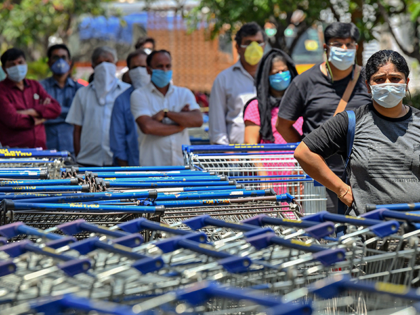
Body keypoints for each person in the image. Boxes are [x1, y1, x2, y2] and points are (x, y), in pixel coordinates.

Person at [294, 50, 417, 214]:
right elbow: (304, 152)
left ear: (406, 82)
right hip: (367, 230)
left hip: (415, 229)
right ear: (368, 86)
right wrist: (340, 189)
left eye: (395, 78)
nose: (387, 84)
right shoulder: (351, 120)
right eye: (379, 80)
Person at [276, 22, 371, 213]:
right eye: (338, 44)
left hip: (364, 178)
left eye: (349, 44)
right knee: (324, 237)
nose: (344, 49)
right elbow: (283, 125)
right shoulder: (304, 82)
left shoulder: (368, 81)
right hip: (320, 180)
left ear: (356, 47)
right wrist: (309, 150)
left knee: (364, 237)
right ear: (326, 47)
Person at [131, 50, 203, 166]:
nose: (164, 70)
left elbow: (197, 120)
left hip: (183, 166)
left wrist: (166, 114)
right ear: (149, 70)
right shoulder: (139, 95)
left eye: (168, 66)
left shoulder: (184, 93)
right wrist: (181, 124)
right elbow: (147, 127)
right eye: (159, 66)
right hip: (153, 166)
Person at [66, 46, 130, 166]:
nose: (104, 66)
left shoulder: (126, 92)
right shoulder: (82, 94)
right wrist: (79, 157)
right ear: (93, 66)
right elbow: (77, 130)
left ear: (115, 64)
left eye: (108, 62)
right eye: (100, 63)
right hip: (88, 160)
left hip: (118, 161)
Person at [209, 22, 266, 145]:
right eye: (248, 43)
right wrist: (228, 154)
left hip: (270, 155)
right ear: (238, 47)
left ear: (264, 45)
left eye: (258, 42)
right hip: (237, 156)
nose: (254, 47)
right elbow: (217, 127)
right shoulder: (224, 79)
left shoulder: (273, 77)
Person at [0, 48, 61, 149]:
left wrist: (29, 112)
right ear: (4, 69)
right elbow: (13, 120)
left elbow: (56, 108)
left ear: (25, 63)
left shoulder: (34, 85)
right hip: (14, 153)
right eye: (12, 64)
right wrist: (42, 116)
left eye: (20, 62)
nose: (17, 67)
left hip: (40, 150)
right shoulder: (1, 90)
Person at [244, 49, 303, 144]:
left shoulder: (302, 102)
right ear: (266, 76)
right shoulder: (255, 106)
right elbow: (250, 145)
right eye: (276, 72)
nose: (281, 75)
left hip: (299, 158)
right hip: (271, 158)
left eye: (283, 71)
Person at [40, 44, 83, 154]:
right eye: (55, 57)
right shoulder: (40, 87)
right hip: (46, 147)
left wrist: (51, 112)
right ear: (49, 63)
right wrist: (71, 114)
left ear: (69, 62)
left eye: (63, 57)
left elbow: (83, 115)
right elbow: (39, 112)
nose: (60, 61)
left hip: (73, 147)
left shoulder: (80, 89)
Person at [110, 49, 150, 166]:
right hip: (133, 165)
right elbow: (117, 138)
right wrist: (126, 170)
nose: (139, 71)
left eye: (143, 66)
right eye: (134, 67)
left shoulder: (161, 96)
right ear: (129, 71)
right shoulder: (121, 100)